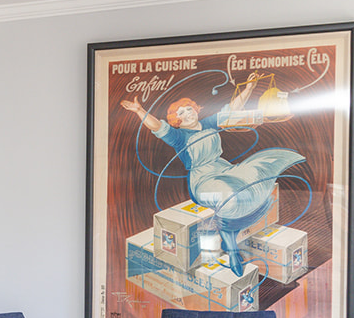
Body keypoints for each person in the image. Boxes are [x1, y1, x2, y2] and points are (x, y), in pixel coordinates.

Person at [121, 82, 305, 276]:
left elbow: (232, 109)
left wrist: (249, 88)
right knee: (229, 197)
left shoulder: (209, 122)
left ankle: (231, 238)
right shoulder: (179, 136)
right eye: (181, 113)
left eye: (189, 108)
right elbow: (157, 126)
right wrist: (139, 110)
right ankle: (231, 247)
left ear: (196, 109)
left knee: (256, 175)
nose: (187, 113)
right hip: (202, 179)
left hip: (224, 168)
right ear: (176, 120)